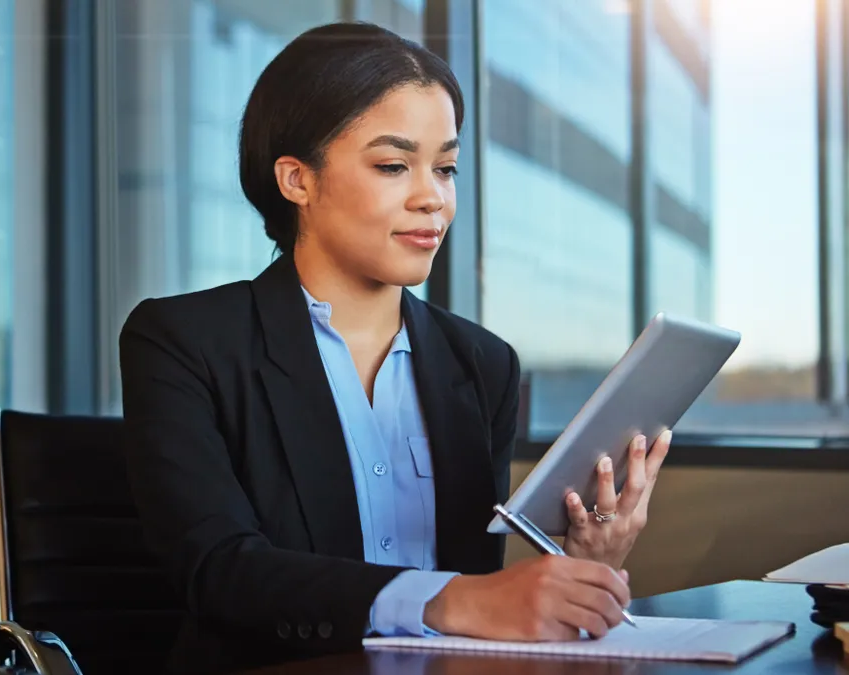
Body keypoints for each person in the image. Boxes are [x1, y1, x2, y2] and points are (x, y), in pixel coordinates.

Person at [118, 20, 672, 675]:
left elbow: (475, 594)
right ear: (297, 179)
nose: (432, 197)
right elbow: (220, 570)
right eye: (392, 165)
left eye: (445, 168)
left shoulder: (483, 364)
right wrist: (453, 597)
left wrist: (587, 566)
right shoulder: (183, 342)